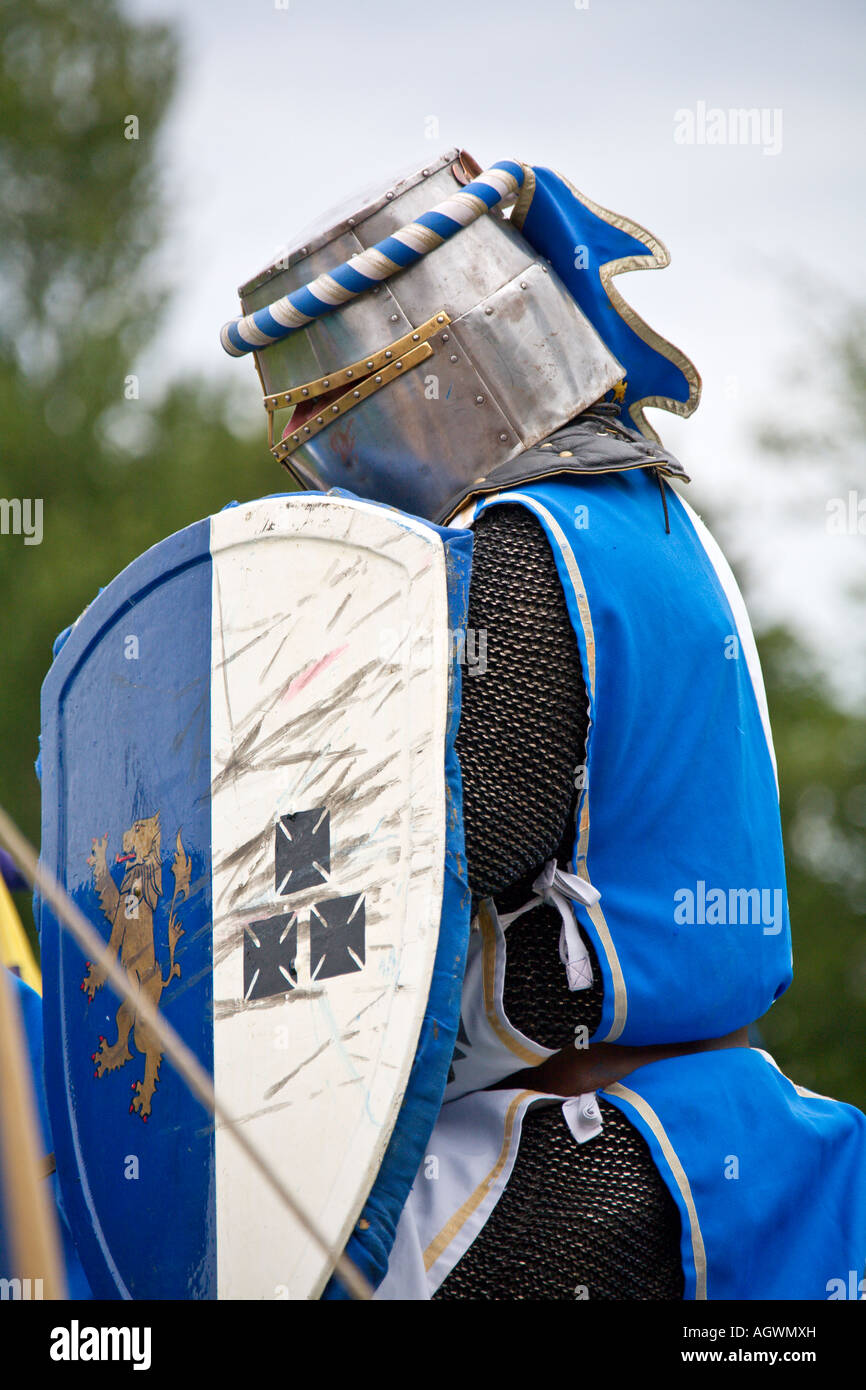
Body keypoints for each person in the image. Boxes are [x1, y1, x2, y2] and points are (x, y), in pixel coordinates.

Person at [221, 148, 866, 1299]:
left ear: (443, 371)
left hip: (564, 1167)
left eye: (340, 419)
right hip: (710, 1126)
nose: (334, 469)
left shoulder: (531, 549)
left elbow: (425, 857)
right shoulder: (666, 531)